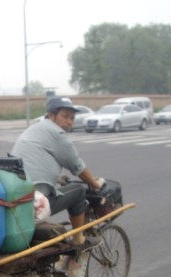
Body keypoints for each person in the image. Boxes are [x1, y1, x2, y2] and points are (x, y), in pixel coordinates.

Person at [10, 96, 105, 247]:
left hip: (19, 194)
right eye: (65, 116)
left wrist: (57, 178)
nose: (69, 121)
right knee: (79, 191)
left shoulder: (36, 128)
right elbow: (77, 166)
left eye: (72, 118)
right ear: (51, 115)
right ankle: (78, 239)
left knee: (65, 190)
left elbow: (36, 160)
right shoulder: (57, 134)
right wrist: (95, 184)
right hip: (33, 202)